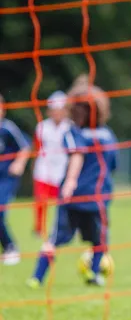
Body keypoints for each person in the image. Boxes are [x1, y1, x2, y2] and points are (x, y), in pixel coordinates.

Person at [27, 78, 118, 288]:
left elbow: (76, 155)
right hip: (98, 196)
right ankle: (94, 274)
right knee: (99, 240)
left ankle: (36, 278)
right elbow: (111, 165)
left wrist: (70, 181)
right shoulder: (108, 136)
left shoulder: (74, 133)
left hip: (73, 195)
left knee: (55, 239)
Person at [32, 91, 71, 237]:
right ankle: (39, 228)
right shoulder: (42, 127)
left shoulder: (69, 127)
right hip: (44, 167)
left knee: (64, 201)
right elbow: (37, 147)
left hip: (62, 169)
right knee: (41, 200)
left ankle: (64, 226)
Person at [0, 94, 31, 265]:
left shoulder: (8, 128)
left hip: (6, 178)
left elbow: (25, 146)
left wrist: (19, 163)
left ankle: (10, 247)